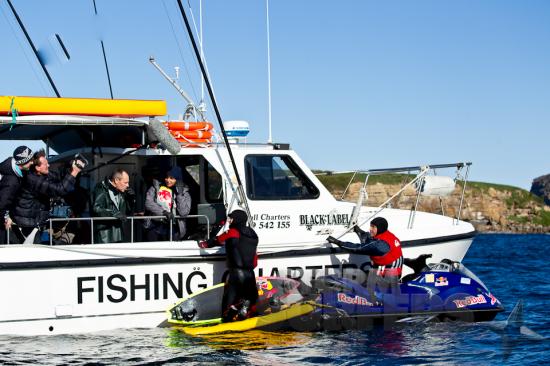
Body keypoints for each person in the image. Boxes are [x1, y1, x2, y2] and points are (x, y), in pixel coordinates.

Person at [199, 209, 259, 322]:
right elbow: (255, 258)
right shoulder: (253, 234)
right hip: (250, 274)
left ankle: (229, 323)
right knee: (252, 305)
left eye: (231, 218)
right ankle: (247, 312)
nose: (229, 221)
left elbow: (217, 240)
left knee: (228, 307)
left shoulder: (232, 232)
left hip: (236, 274)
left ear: (237, 219)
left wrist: (203, 244)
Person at [12, 149, 83, 244]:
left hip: (34, 222)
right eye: (46, 164)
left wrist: (70, 167)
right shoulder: (33, 180)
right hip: (27, 225)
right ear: (37, 168)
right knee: (34, 253)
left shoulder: (41, 174)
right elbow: (60, 190)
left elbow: (58, 177)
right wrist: (74, 172)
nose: (48, 165)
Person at [327, 217, 403, 300]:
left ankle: (368, 301)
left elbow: (358, 248)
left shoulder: (381, 245)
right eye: (371, 226)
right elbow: (369, 238)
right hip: (387, 269)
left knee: (360, 282)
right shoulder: (385, 234)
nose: (370, 229)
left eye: (373, 227)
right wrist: (358, 230)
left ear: (380, 228)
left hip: (389, 277)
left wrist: (338, 242)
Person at [144, 166, 191, 241]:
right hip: (154, 226)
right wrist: (163, 213)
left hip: (174, 228)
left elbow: (183, 213)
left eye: (171, 178)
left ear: (178, 179)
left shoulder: (185, 193)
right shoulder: (156, 187)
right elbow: (148, 203)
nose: (168, 180)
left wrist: (179, 194)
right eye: (167, 177)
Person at [0, 146, 34, 244]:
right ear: (21, 162)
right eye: (30, 160)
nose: (32, 162)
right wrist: (6, 218)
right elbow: (2, 203)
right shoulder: (12, 181)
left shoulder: (9, 168)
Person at [92, 169, 132, 243]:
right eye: (125, 182)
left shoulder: (121, 191)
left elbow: (126, 212)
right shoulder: (101, 189)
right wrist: (114, 213)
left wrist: (131, 199)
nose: (128, 185)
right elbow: (96, 209)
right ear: (116, 180)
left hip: (118, 234)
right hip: (105, 235)